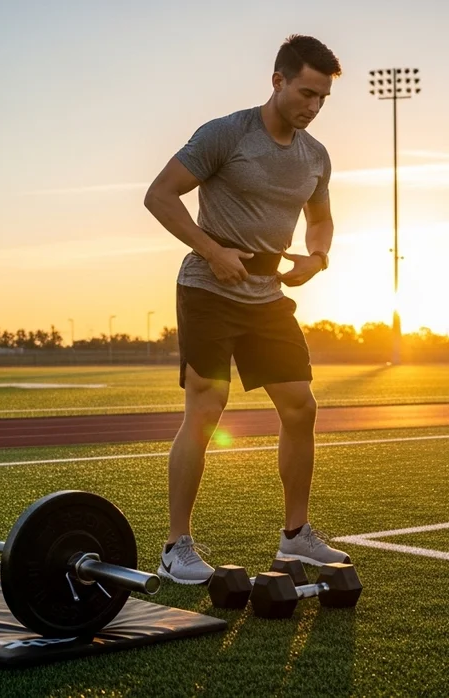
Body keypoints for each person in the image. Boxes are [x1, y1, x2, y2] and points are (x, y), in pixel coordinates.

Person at [142, 34, 351, 584]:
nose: (313, 106)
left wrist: (319, 257)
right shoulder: (226, 134)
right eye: (306, 92)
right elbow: (160, 195)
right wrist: (212, 251)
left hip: (268, 297)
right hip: (208, 290)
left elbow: (321, 218)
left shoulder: (316, 156)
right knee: (207, 407)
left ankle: (295, 539)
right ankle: (175, 545)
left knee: (302, 408)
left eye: (323, 99)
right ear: (277, 81)